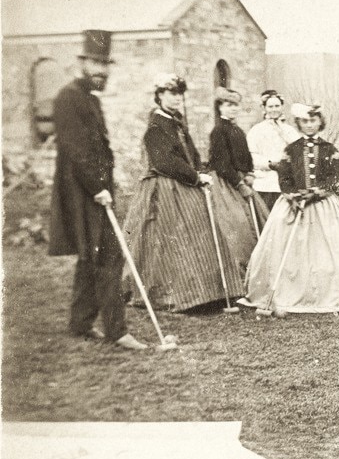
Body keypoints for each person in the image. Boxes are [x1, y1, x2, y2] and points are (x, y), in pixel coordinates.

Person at [47, 29, 146, 350]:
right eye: (95, 64)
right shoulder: (67, 98)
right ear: (83, 63)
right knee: (108, 257)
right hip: (83, 192)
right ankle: (118, 331)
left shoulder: (90, 98)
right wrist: (98, 188)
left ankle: (80, 324)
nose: (101, 71)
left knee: (93, 257)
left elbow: (99, 149)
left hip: (97, 189)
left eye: (105, 65)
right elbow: (77, 151)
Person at [121, 73, 245, 312]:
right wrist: (195, 176)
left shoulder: (176, 121)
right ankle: (180, 294)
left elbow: (191, 154)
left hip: (185, 185)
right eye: (171, 93)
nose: (177, 98)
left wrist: (199, 170)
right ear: (159, 96)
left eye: (179, 94)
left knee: (197, 235)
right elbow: (164, 161)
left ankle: (209, 293)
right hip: (165, 188)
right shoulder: (156, 125)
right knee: (170, 241)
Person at [243, 103, 339, 315]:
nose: (309, 125)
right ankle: (290, 292)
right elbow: (285, 175)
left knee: (329, 252)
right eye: (305, 121)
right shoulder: (292, 149)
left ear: (320, 122)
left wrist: (314, 193)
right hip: (293, 206)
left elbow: (333, 179)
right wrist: (292, 195)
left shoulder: (329, 149)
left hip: (322, 207)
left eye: (313, 120)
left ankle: (330, 294)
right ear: (299, 123)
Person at [207, 86, 260, 269]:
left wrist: (250, 173)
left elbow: (246, 155)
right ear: (220, 107)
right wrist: (238, 183)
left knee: (257, 222)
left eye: (235, 105)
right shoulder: (219, 131)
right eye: (228, 105)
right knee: (238, 226)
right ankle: (239, 269)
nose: (233, 109)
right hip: (226, 183)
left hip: (243, 180)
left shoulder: (237, 130)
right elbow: (222, 164)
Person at [247, 89, 301, 215]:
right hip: (264, 184)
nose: (274, 109)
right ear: (264, 108)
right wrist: (270, 164)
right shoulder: (256, 130)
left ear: (282, 107)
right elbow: (251, 156)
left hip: (286, 184)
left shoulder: (289, 130)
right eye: (270, 106)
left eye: (277, 106)